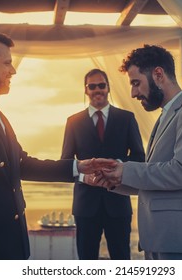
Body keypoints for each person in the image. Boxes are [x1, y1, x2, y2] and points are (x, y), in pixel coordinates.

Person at [0, 32, 114, 260]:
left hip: (10, 243)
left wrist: (78, 167)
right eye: (7, 63)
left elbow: (22, 164)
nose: (13, 70)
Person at [94, 44, 182, 260]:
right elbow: (157, 179)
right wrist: (114, 180)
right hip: (159, 240)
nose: (132, 93)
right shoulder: (166, 116)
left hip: (180, 242)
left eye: (136, 83)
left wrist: (126, 170)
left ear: (158, 75)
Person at [61, 69, 145, 260]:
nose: (97, 89)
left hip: (118, 202)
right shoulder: (73, 122)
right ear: (86, 90)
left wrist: (119, 166)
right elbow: (65, 163)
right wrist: (84, 176)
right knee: (87, 260)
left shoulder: (127, 118)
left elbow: (140, 157)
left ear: (108, 88)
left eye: (101, 85)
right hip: (85, 206)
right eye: (92, 86)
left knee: (121, 258)